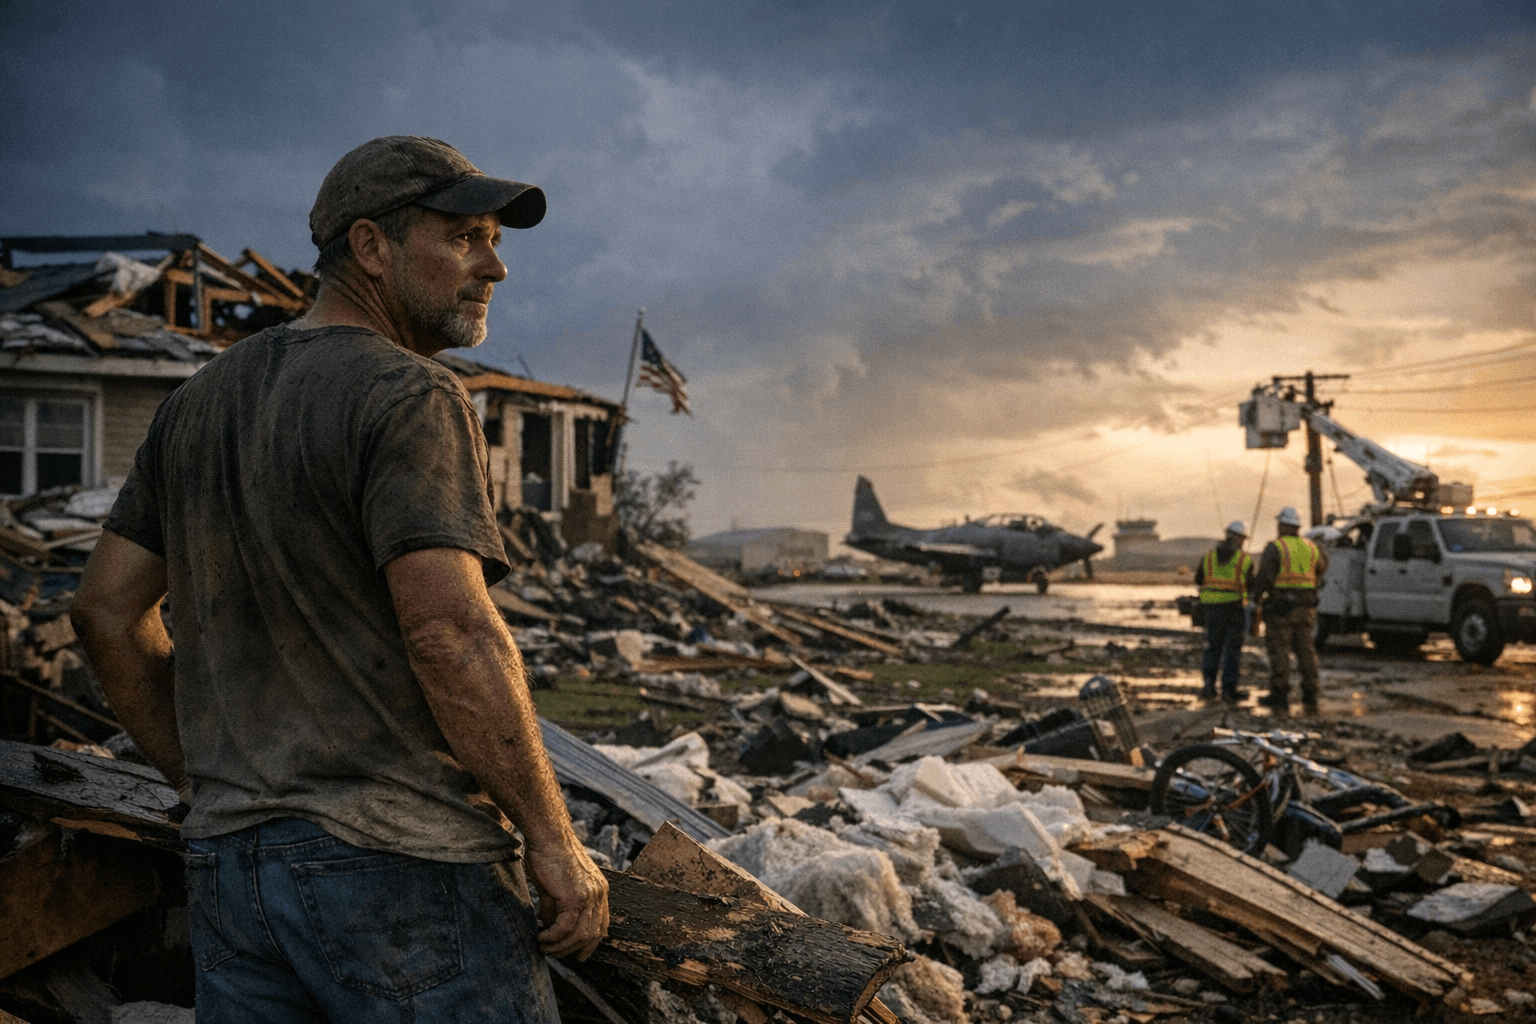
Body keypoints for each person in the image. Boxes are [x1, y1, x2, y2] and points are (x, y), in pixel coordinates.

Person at [70, 136, 608, 1024]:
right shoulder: (410, 395)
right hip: (402, 870)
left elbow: (103, 611)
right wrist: (553, 841)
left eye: (494, 240)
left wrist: (203, 784)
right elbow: (450, 632)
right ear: (370, 247)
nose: (496, 267)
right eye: (466, 237)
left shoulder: (197, 403)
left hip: (234, 879)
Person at [1249, 506, 1329, 715]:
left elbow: (1265, 576)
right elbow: (1322, 567)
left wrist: (1255, 598)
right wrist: (1312, 587)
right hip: (1306, 609)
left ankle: (1280, 694)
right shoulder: (1311, 547)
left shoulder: (1276, 547)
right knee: (1306, 651)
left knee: (1279, 651)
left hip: (1281, 609)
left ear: (1284, 526)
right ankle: (1310, 693)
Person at [1193, 520, 1254, 703]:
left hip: (1212, 610)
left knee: (1213, 648)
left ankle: (1208, 686)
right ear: (1240, 539)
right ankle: (1229, 690)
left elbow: (1198, 579)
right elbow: (1251, 585)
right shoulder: (1244, 560)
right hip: (1234, 609)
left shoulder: (1209, 557)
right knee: (1232, 650)